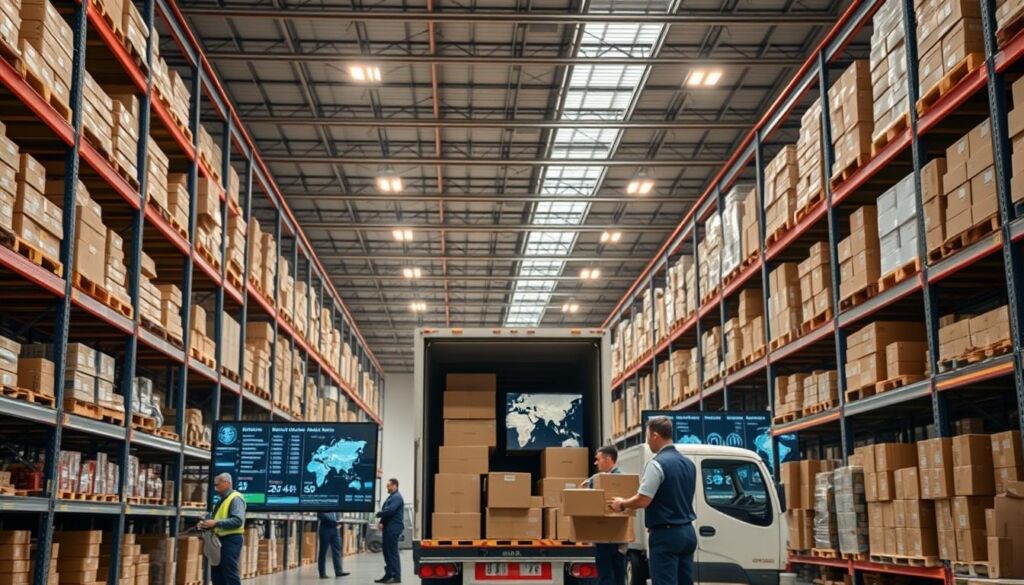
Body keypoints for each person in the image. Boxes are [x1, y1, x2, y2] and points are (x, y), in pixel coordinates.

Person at [609, 416, 697, 585]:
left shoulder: (656, 464)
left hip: (666, 535)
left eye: (647, 436)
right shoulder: (688, 464)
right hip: (687, 533)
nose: (648, 441)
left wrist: (622, 504)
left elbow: (643, 500)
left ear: (655, 435)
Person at [580, 445, 626, 585]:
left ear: (607, 459)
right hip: (618, 537)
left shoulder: (613, 479)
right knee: (618, 576)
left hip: (606, 536)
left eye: (597, 459)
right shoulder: (605, 478)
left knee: (606, 577)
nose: (595, 463)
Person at [199, 473, 246, 585]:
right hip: (218, 540)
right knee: (216, 573)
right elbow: (215, 518)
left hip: (231, 540)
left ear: (227, 483)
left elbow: (238, 521)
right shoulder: (220, 500)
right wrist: (205, 523)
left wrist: (215, 523)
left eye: (218, 484)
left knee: (229, 571)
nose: (216, 487)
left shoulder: (236, 499)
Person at [374, 478, 405, 584]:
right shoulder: (391, 498)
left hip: (393, 528)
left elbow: (390, 510)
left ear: (395, 486)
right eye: (387, 486)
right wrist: (382, 521)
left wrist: (379, 514)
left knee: (392, 552)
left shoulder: (397, 497)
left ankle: (396, 577)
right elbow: (387, 511)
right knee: (386, 552)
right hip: (388, 528)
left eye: (389, 486)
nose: (387, 488)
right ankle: (388, 575)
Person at [317, 511, 350, 578]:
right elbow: (320, 514)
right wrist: (332, 522)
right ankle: (322, 573)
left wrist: (338, 520)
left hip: (335, 529)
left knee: (337, 549)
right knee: (323, 551)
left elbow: (338, 514)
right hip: (325, 528)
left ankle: (339, 571)